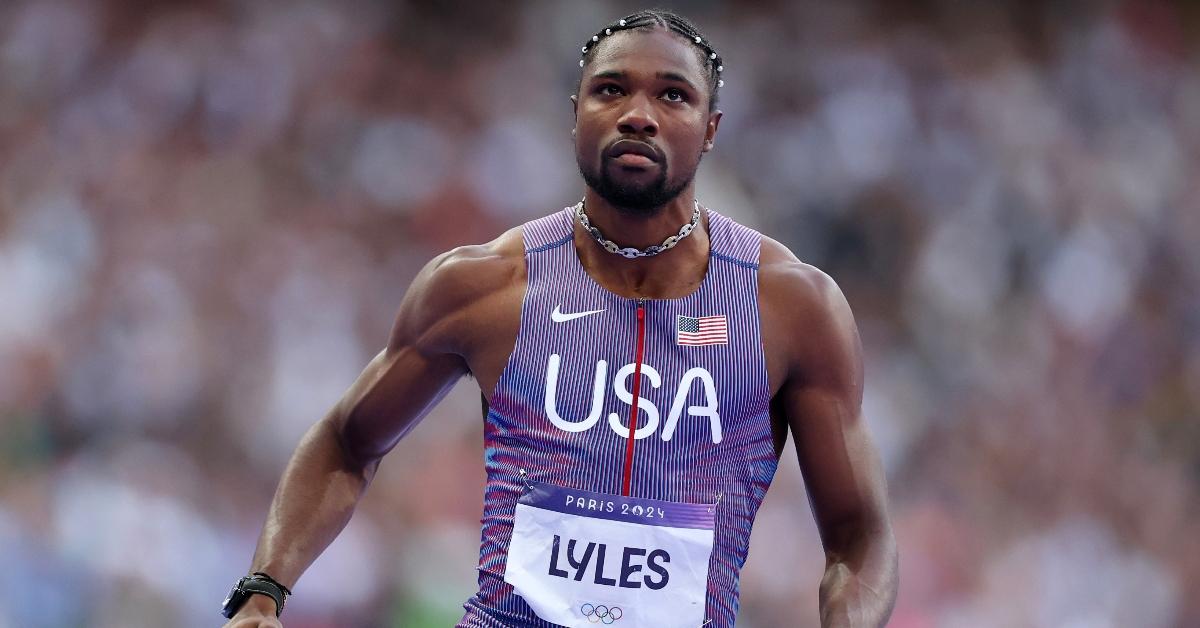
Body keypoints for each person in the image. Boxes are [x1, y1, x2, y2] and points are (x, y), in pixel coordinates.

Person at [221, 9, 897, 628]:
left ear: (711, 128)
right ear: (574, 115)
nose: (638, 113)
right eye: (611, 90)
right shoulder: (482, 286)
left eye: (672, 95)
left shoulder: (790, 306)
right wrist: (263, 591)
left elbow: (858, 534)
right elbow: (346, 441)